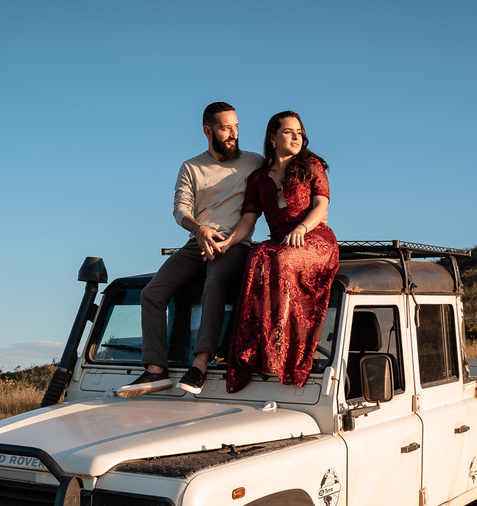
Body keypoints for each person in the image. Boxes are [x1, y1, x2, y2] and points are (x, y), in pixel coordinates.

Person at [118, 102, 263, 397]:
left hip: (235, 243)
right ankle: (155, 370)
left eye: (236, 127)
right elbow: (180, 209)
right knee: (152, 292)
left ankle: (200, 363)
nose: (234, 133)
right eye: (226, 128)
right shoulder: (191, 167)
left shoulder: (255, 162)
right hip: (197, 240)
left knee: (214, 281)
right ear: (208, 131)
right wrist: (199, 230)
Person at [217, 111, 338, 393]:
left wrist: (302, 229)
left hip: (315, 237)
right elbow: (248, 220)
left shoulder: (312, 164)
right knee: (256, 257)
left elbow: (321, 205)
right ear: (273, 138)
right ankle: (254, 350)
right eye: (288, 132)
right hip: (279, 241)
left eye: (299, 132)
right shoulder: (258, 178)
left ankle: (283, 352)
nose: (296, 137)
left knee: (279, 257)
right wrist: (227, 243)